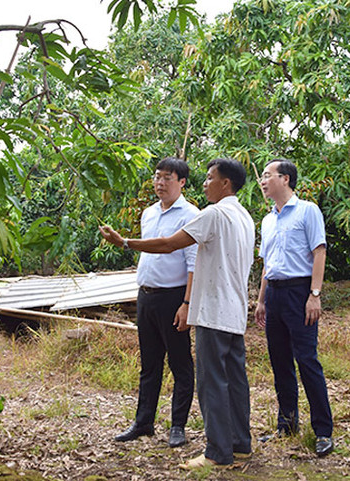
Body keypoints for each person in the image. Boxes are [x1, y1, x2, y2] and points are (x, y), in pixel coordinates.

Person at [100, 158, 255, 469]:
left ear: (225, 183)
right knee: (235, 380)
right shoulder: (244, 216)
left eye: (210, 178)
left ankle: (217, 453)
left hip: (213, 310)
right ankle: (240, 445)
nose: (205, 184)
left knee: (211, 382)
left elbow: (170, 244)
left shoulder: (213, 214)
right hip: (233, 310)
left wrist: (124, 242)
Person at [113, 157, 199, 448]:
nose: (160, 183)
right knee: (149, 363)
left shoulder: (191, 215)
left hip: (173, 297)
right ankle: (143, 422)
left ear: (182, 182)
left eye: (167, 178)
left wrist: (186, 303)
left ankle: (178, 426)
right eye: (157, 177)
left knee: (180, 363)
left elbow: (193, 264)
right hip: (146, 296)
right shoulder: (148, 213)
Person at [254, 159, 334, 457]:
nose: (263, 181)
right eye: (262, 176)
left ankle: (323, 431)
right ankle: (286, 426)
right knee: (280, 362)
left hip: (300, 293)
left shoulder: (307, 211)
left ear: (285, 179)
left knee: (307, 360)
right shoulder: (268, 220)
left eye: (267, 175)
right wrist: (261, 300)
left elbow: (319, 252)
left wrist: (314, 294)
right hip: (274, 294)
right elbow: (267, 264)